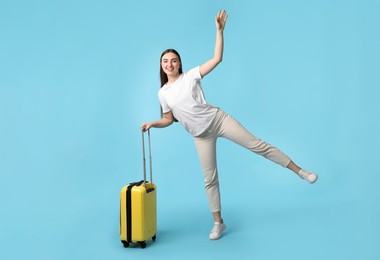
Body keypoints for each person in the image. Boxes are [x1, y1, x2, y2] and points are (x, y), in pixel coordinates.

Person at [141, 10, 318, 240]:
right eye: (165, 61)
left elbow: (217, 59)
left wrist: (219, 31)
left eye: (173, 60)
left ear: (180, 63)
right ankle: (218, 223)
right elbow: (168, 119)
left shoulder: (191, 76)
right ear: (161, 66)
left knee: (258, 145)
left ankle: (300, 171)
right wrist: (152, 124)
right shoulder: (162, 93)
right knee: (210, 179)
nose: (169, 64)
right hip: (200, 136)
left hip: (218, 120)